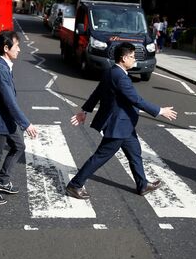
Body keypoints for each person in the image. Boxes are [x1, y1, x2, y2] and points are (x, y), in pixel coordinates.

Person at [65, 43, 178, 199]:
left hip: (125, 125)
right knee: (100, 157)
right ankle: (75, 185)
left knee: (135, 153)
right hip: (118, 126)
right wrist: (160, 111)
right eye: (132, 56)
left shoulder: (111, 71)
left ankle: (142, 185)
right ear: (124, 58)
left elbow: (97, 93)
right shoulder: (120, 77)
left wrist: (85, 111)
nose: (134, 59)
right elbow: (136, 99)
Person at [0, 30, 38, 205]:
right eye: (17, 46)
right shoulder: (0, 69)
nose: (19, 49)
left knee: (18, 146)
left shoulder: (4, 66)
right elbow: (10, 102)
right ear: (6, 48)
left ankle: (2, 180)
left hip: (6, 120)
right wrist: (26, 124)